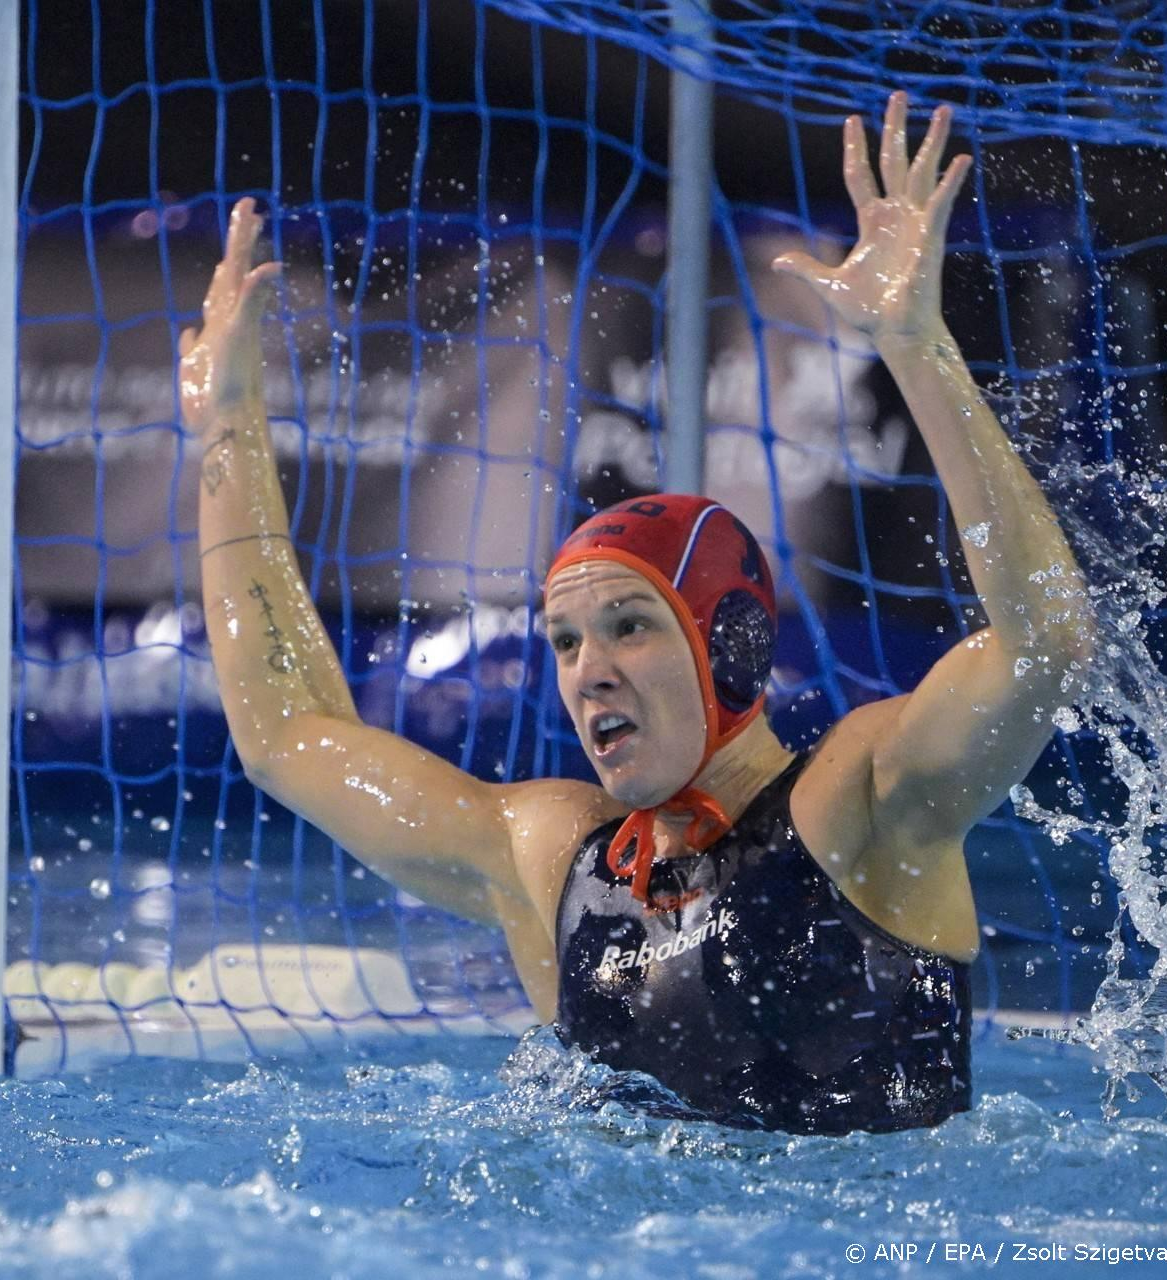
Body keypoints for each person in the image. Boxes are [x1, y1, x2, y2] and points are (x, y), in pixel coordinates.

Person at [179, 93, 1095, 1134]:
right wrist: (226, 429)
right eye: (565, 640)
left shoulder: (862, 807)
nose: (586, 670)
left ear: (732, 640)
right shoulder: (552, 861)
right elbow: (289, 734)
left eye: (629, 624)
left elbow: (1048, 641)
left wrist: (916, 344)